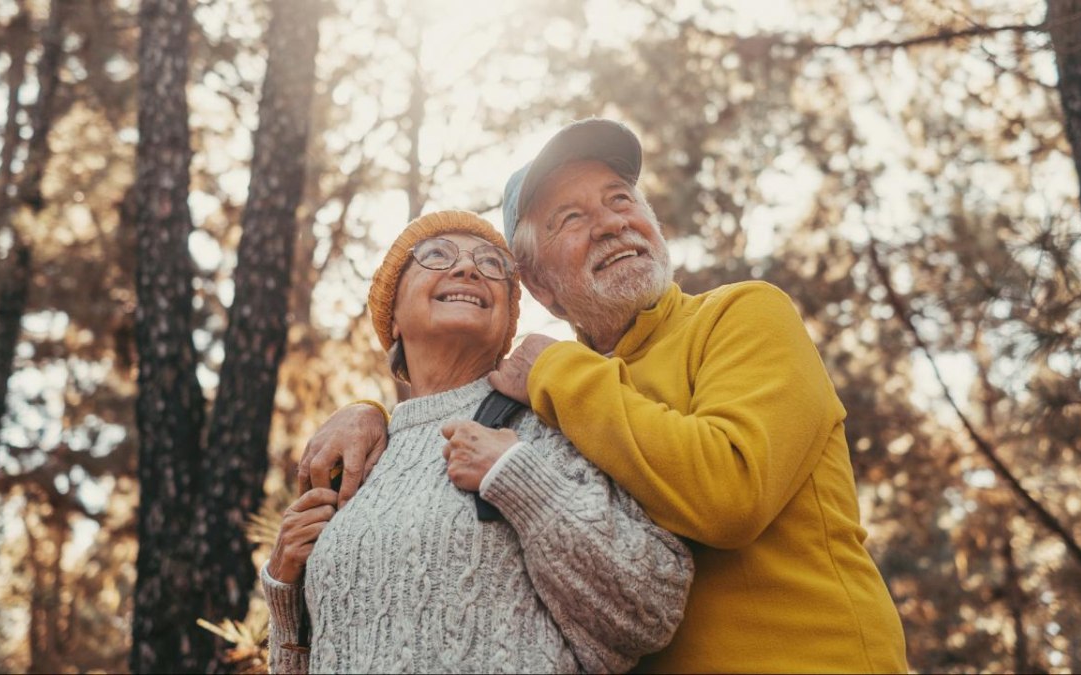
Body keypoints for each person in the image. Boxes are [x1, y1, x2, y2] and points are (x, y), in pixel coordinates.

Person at [300, 120, 909, 673]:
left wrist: (557, 370)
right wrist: (372, 415)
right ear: (539, 285)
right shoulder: (545, 400)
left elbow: (731, 492)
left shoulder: (741, 316)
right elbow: (444, 410)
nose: (613, 222)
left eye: (621, 200)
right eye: (570, 217)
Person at [262, 210, 693, 674]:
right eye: (436, 255)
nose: (467, 269)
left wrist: (521, 479)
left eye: (491, 264)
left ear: (508, 319)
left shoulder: (548, 425)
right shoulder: (357, 459)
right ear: (393, 317)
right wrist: (285, 601)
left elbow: (651, 609)